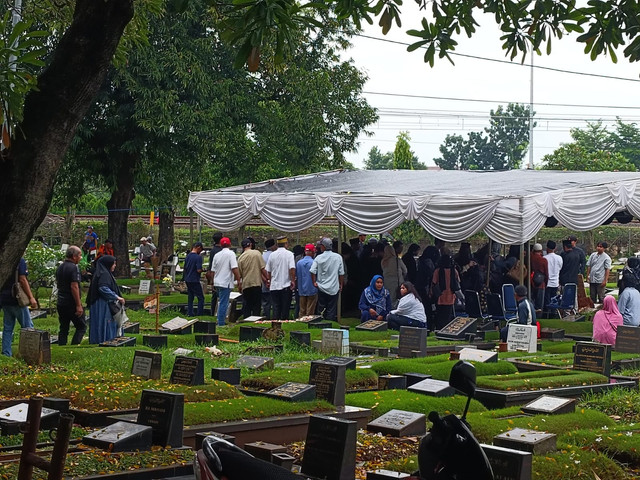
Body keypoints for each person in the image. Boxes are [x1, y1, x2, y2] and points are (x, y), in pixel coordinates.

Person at [1, 257, 37, 356]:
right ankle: (30, 353)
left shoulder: (4, 259)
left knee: (7, 328)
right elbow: (22, 279)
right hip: (17, 299)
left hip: (4, 297)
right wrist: (31, 297)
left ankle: (6, 353)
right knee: (28, 327)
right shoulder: (19, 261)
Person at [86, 255, 125, 344]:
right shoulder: (104, 274)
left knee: (98, 324)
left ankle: (98, 341)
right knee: (105, 323)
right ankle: (106, 341)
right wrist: (117, 297)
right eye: (113, 264)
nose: (115, 266)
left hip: (98, 303)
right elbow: (103, 288)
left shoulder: (100, 273)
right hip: (103, 304)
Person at [56, 246, 87, 345]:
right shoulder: (74, 268)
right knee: (81, 327)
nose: (80, 258)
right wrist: (78, 304)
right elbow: (74, 286)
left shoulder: (60, 267)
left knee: (64, 327)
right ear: (74, 256)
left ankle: (62, 345)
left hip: (61, 301)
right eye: (80, 255)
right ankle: (74, 345)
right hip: (71, 302)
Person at [310, 237, 345, 321]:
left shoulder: (318, 258)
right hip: (334, 287)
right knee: (331, 308)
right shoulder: (338, 257)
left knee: (321, 307)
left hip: (321, 286)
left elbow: (312, 271)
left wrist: (314, 282)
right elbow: (341, 273)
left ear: (323, 246)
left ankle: (320, 321)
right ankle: (330, 322)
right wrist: (340, 284)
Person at [211, 237, 242, 325]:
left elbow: (213, 270)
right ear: (230, 244)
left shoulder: (217, 255)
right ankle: (221, 323)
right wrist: (239, 279)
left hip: (217, 281)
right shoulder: (231, 254)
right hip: (225, 282)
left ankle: (219, 319)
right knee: (224, 303)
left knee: (221, 301)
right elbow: (234, 268)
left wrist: (212, 282)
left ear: (220, 245)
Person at [265, 236, 295, 320]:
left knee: (276, 308)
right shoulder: (289, 254)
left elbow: (269, 271)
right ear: (286, 244)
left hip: (274, 286)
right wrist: (292, 280)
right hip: (285, 285)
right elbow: (292, 268)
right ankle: (284, 324)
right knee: (285, 308)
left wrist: (270, 281)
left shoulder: (272, 255)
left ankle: (275, 325)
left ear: (277, 244)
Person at [237, 238, 266, 319]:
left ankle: (246, 320)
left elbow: (239, 275)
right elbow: (262, 269)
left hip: (246, 284)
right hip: (256, 283)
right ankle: (256, 320)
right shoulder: (257, 253)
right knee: (256, 305)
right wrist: (268, 279)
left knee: (247, 305)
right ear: (250, 244)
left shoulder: (240, 258)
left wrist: (239, 285)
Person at [431, 252, 460, 330]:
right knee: (448, 315)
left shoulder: (437, 271)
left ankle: (439, 328)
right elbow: (458, 282)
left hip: (440, 296)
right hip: (450, 296)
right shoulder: (454, 271)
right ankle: (446, 329)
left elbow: (434, 283)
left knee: (440, 315)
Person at [183, 242, 206, 317]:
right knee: (201, 297)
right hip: (194, 279)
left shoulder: (188, 256)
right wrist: (204, 270)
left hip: (188, 279)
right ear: (198, 247)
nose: (200, 251)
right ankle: (200, 313)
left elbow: (185, 268)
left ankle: (190, 312)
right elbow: (198, 270)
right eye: (201, 249)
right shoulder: (198, 257)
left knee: (190, 296)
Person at [296, 244, 318, 316]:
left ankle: (301, 320)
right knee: (310, 309)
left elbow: (297, 275)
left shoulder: (299, 263)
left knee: (302, 309)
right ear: (313, 252)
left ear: (305, 252)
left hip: (301, 288)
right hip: (312, 288)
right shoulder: (314, 262)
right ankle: (308, 321)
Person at [543, 240, 563, 314]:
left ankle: (547, 313)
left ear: (547, 248)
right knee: (554, 299)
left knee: (547, 300)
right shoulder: (559, 258)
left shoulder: (544, 258)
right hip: (555, 282)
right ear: (555, 248)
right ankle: (553, 313)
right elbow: (560, 268)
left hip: (547, 282)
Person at [206, 232, 223, 316]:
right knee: (219, 295)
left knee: (214, 295)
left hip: (214, 273)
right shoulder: (220, 251)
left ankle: (213, 311)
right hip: (219, 273)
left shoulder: (213, 250)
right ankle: (217, 312)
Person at [530, 243, 548, 311]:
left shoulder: (530, 257)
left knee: (532, 299)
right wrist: (546, 282)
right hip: (541, 283)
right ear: (541, 250)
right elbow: (546, 273)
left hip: (531, 281)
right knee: (539, 304)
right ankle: (539, 314)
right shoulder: (543, 260)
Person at [261, 238, 276, 319]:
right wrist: (269, 280)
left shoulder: (262, 256)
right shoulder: (273, 255)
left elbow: (260, 270)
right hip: (273, 281)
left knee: (265, 302)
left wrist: (265, 280)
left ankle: (265, 317)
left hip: (264, 282)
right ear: (272, 246)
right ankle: (275, 317)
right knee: (275, 302)